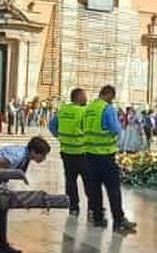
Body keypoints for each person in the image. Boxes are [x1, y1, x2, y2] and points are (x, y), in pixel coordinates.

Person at [82, 85, 137, 233]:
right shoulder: (107, 109)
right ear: (108, 95)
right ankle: (118, 220)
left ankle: (98, 218)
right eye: (112, 98)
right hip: (105, 155)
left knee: (94, 189)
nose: (112, 101)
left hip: (89, 155)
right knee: (113, 190)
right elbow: (115, 129)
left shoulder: (89, 109)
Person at [48, 87, 90, 216]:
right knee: (89, 180)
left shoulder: (63, 110)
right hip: (82, 151)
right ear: (78, 97)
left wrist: (60, 137)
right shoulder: (84, 111)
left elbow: (52, 126)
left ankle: (73, 206)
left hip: (66, 151)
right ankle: (92, 207)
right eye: (84, 96)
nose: (86, 98)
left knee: (70, 180)